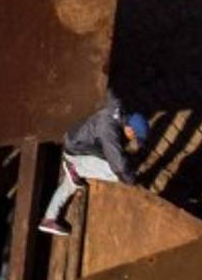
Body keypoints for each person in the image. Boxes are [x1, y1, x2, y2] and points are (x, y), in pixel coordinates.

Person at [39, 91, 149, 236]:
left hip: (78, 143)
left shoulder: (117, 111)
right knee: (116, 173)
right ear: (130, 128)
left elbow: (112, 94)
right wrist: (131, 180)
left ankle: (49, 219)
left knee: (70, 184)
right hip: (77, 152)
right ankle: (75, 169)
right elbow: (118, 166)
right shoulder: (109, 130)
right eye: (134, 136)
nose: (132, 140)